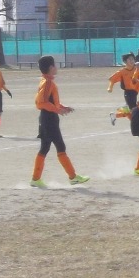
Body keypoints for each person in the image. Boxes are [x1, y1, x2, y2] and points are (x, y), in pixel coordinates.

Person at [30, 55, 89, 188]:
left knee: (45, 148)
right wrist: (58, 110)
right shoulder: (47, 83)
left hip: (47, 117)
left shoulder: (46, 81)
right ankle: (73, 177)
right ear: (51, 67)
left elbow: (50, 101)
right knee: (60, 147)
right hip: (49, 119)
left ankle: (35, 179)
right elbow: (41, 102)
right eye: (55, 65)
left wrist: (62, 107)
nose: (56, 67)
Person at [108, 53, 139, 125]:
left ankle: (115, 115)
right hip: (128, 93)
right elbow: (112, 79)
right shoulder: (122, 71)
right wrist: (110, 87)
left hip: (135, 92)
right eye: (130, 59)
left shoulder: (137, 70)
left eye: (133, 59)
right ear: (125, 61)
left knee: (130, 110)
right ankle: (136, 123)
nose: (132, 61)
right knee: (133, 109)